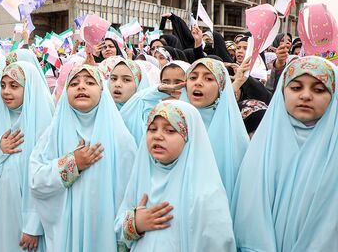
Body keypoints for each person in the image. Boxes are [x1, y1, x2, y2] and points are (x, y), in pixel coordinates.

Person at [232, 56, 338, 251]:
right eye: (296, 88)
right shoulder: (263, 147)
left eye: (319, 89)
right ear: (282, 92)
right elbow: (250, 215)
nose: (306, 96)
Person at [30, 64, 137, 252]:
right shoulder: (53, 134)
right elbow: (36, 180)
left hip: (104, 233)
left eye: (89, 82)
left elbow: (130, 192)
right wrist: (72, 164)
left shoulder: (120, 138)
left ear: (102, 90)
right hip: (65, 233)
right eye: (74, 83)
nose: (81, 87)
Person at [115, 100, 236, 251]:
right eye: (152, 129)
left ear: (188, 138)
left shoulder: (205, 193)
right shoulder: (141, 177)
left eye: (170, 130)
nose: (157, 136)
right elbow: (118, 230)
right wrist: (136, 223)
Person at [0, 61, 54, 251]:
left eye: (14, 86)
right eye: (3, 85)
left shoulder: (43, 125)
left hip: (28, 221)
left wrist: (33, 226)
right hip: (2, 214)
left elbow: (46, 182)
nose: (6, 91)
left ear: (29, 89)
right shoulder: (1, 118)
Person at [182, 58, 249, 204]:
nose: (198, 82)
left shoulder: (234, 133)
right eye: (192, 77)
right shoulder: (171, 124)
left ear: (221, 86)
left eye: (208, 78)